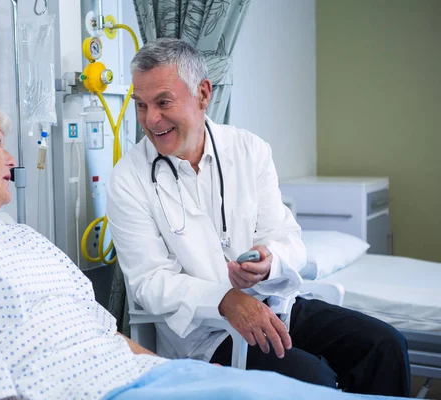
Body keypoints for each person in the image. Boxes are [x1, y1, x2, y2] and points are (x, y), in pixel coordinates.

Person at [0, 92, 406, 400]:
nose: (12, 155)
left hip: (147, 374)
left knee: (353, 362)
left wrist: (175, 370)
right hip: (108, 385)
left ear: (201, 95)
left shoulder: (22, 238)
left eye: (164, 102)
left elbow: (103, 332)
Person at [106, 38, 410, 397]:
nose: (150, 119)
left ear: (203, 94)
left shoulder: (249, 150)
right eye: (141, 106)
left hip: (277, 306)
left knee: (385, 346)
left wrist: (271, 262)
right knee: (313, 380)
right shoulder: (129, 178)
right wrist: (224, 299)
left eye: (162, 102)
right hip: (205, 334)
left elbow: (287, 237)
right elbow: (148, 282)